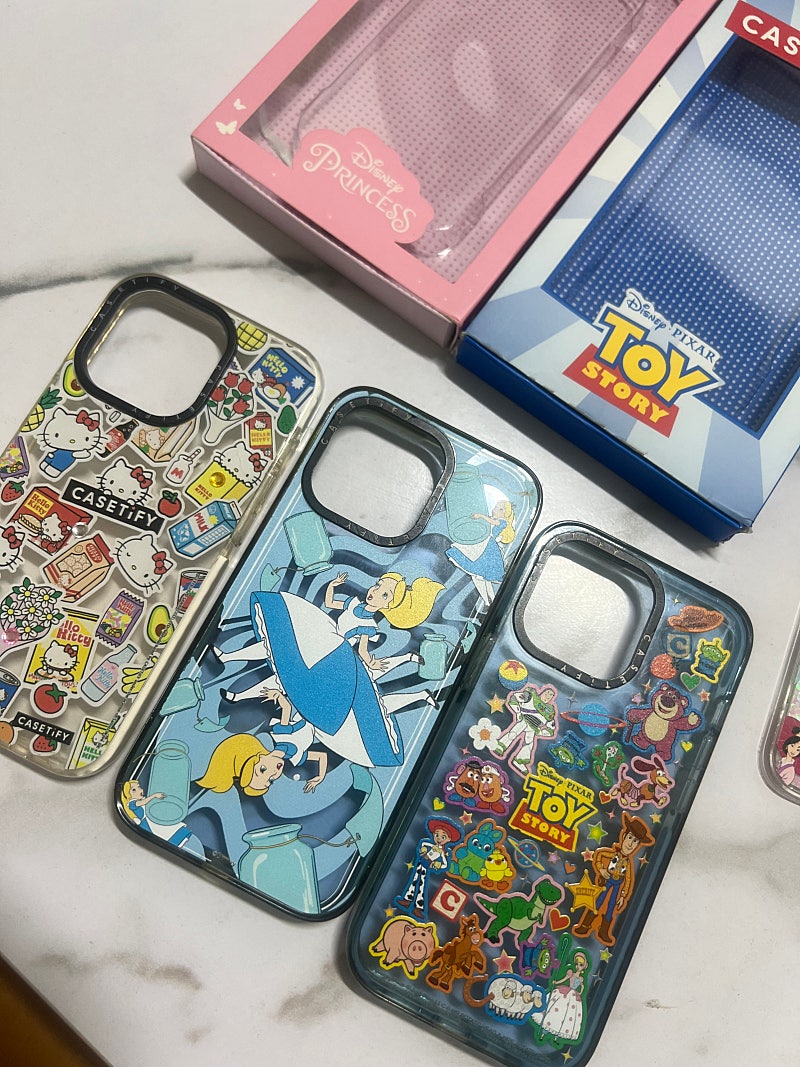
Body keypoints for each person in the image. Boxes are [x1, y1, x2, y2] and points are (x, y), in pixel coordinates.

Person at [195, 730, 327, 796]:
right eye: (270, 780)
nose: (273, 772)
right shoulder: (293, 757)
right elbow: (321, 756)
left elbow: (286, 708)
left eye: (262, 770)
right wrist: (320, 777)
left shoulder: (278, 737)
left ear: (257, 757)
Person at [446, 499, 515, 605]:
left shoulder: (502, 522)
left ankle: (492, 600)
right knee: (477, 577)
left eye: (500, 509)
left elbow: (493, 523)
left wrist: (481, 516)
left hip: (488, 549)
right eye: (496, 507)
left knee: (483, 578)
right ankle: (488, 602)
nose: (495, 509)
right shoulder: (490, 518)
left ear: (505, 513)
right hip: (480, 544)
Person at [537, 951, 589, 1045]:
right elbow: (564, 979)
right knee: (553, 1010)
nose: (578, 966)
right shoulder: (571, 973)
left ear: (584, 966)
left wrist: (580, 992)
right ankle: (543, 1034)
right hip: (565, 992)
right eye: (577, 964)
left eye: (580, 965)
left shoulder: (581, 979)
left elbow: (582, 986)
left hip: (573, 996)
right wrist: (556, 982)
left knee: (565, 1016)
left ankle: (556, 1038)